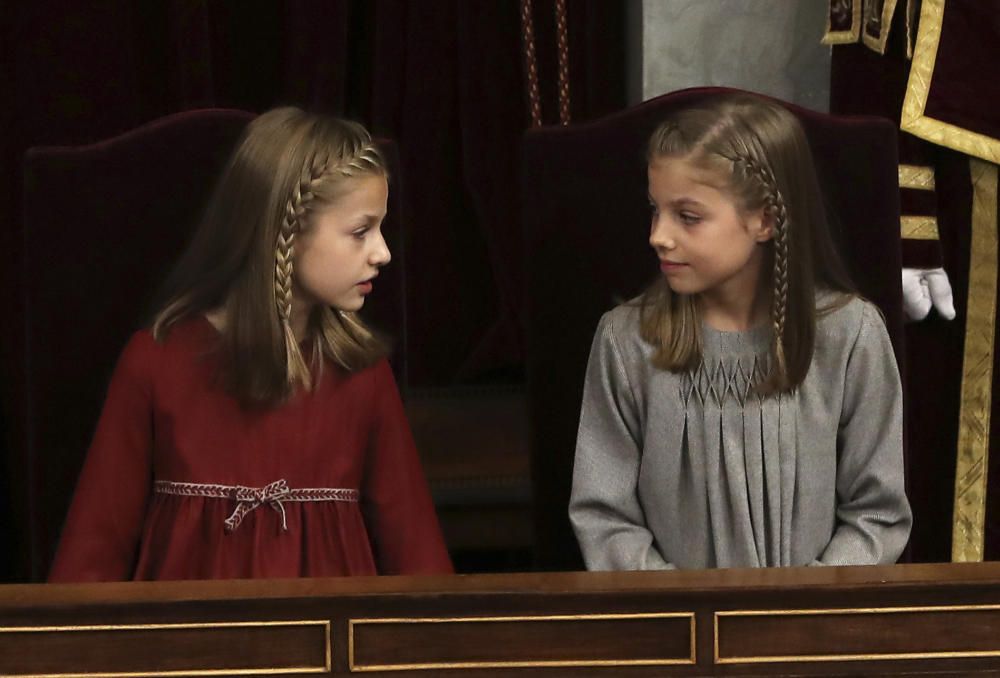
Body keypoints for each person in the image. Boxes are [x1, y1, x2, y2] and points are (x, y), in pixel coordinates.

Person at [49, 107, 452, 581]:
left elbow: (421, 565)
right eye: (360, 231)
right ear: (286, 231)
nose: (383, 252)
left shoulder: (361, 375)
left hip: (328, 652)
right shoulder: (155, 364)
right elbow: (90, 559)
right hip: (186, 651)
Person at [569, 93, 912, 570]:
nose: (658, 235)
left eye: (688, 216)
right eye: (656, 210)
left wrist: (797, 613)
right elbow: (605, 518)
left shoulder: (850, 337)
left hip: (808, 633)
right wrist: (689, 614)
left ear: (765, 220)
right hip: (676, 633)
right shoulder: (627, 342)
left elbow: (877, 513)